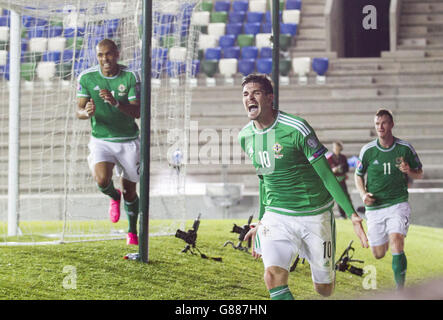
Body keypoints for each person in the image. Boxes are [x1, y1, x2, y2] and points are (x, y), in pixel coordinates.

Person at [239, 74, 368, 300]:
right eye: (245, 94)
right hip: (277, 215)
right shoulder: (246, 136)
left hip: (314, 214)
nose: (249, 98)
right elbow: (263, 179)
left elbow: (327, 175)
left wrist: (352, 215)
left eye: (256, 93)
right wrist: (261, 219)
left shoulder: (296, 128)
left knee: (324, 289)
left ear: (270, 98)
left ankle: (321, 267)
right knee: (272, 277)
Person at [76, 39, 141, 245]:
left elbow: (137, 112)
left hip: (128, 140)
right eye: (101, 55)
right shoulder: (87, 77)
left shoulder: (130, 77)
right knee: (102, 180)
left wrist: (115, 103)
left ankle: (132, 231)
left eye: (109, 54)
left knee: (131, 190)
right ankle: (114, 196)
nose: (105, 59)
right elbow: (79, 110)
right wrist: (86, 113)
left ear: (117, 54)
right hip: (101, 139)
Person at [354, 108, 423, 289]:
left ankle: (400, 290)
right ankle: (386, 242)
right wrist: (363, 194)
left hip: (397, 203)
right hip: (375, 207)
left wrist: (410, 171)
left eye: (384, 123)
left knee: (396, 240)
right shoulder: (367, 150)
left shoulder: (405, 148)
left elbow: (420, 174)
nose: (380, 127)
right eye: (377, 124)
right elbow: (358, 175)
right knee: (378, 253)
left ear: (391, 124)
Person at [327, 141, 353, 219]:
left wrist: (341, 169)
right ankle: (342, 215)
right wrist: (333, 170)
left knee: (346, 197)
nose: (335, 149)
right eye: (334, 147)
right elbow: (327, 170)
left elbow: (346, 168)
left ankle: (350, 213)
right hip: (334, 181)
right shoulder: (329, 158)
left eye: (337, 147)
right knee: (338, 198)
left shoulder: (343, 157)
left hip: (342, 180)